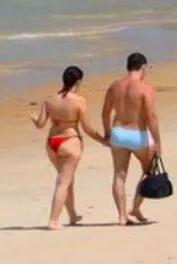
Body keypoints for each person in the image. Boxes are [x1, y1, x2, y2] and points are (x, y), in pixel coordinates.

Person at [30, 65, 106, 230]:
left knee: (66, 179)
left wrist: (35, 119)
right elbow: (88, 128)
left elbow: (40, 124)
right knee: (63, 182)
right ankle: (53, 220)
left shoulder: (50, 99)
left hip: (52, 143)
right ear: (78, 82)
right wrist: (103, 141)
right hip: (69, 141)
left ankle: (72, 215)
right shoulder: (79, 101)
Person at [101, 51, 163, 225]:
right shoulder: (145, 88)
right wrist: (157, 142)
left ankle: (122, 216)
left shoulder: (115, 86)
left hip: (118, 132)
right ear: (143, 66)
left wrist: (107, 133)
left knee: (119, 175)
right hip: (137, 134)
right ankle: (135, 207)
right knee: (149, 171)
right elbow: (151, 117)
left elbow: (105, 112)